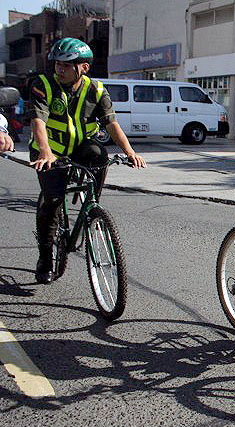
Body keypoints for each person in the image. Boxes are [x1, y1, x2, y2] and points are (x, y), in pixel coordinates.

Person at [28, 37, 146, 284]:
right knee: (52, 201)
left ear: (84, 67)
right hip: (50, 151)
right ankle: (45, 257)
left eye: (66, 65)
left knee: (100, 155)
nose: (60, 69)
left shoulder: (97, 90)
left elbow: (111, 124)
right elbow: (38, 121)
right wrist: (46, 152)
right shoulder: (44, 84)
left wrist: (130, 152)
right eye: (57, 64)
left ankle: (92, 205)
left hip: (80, 147)